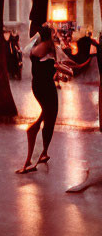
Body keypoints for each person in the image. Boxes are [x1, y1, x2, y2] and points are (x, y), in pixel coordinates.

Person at [16, 25, 75, 173]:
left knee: (49, 118)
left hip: (43, 87)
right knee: (47, 119)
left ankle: (42, 153)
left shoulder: (42, 48)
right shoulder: (47, 46)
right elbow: (29, 51)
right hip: (45, 88)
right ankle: (33, 159)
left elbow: (29, 51)